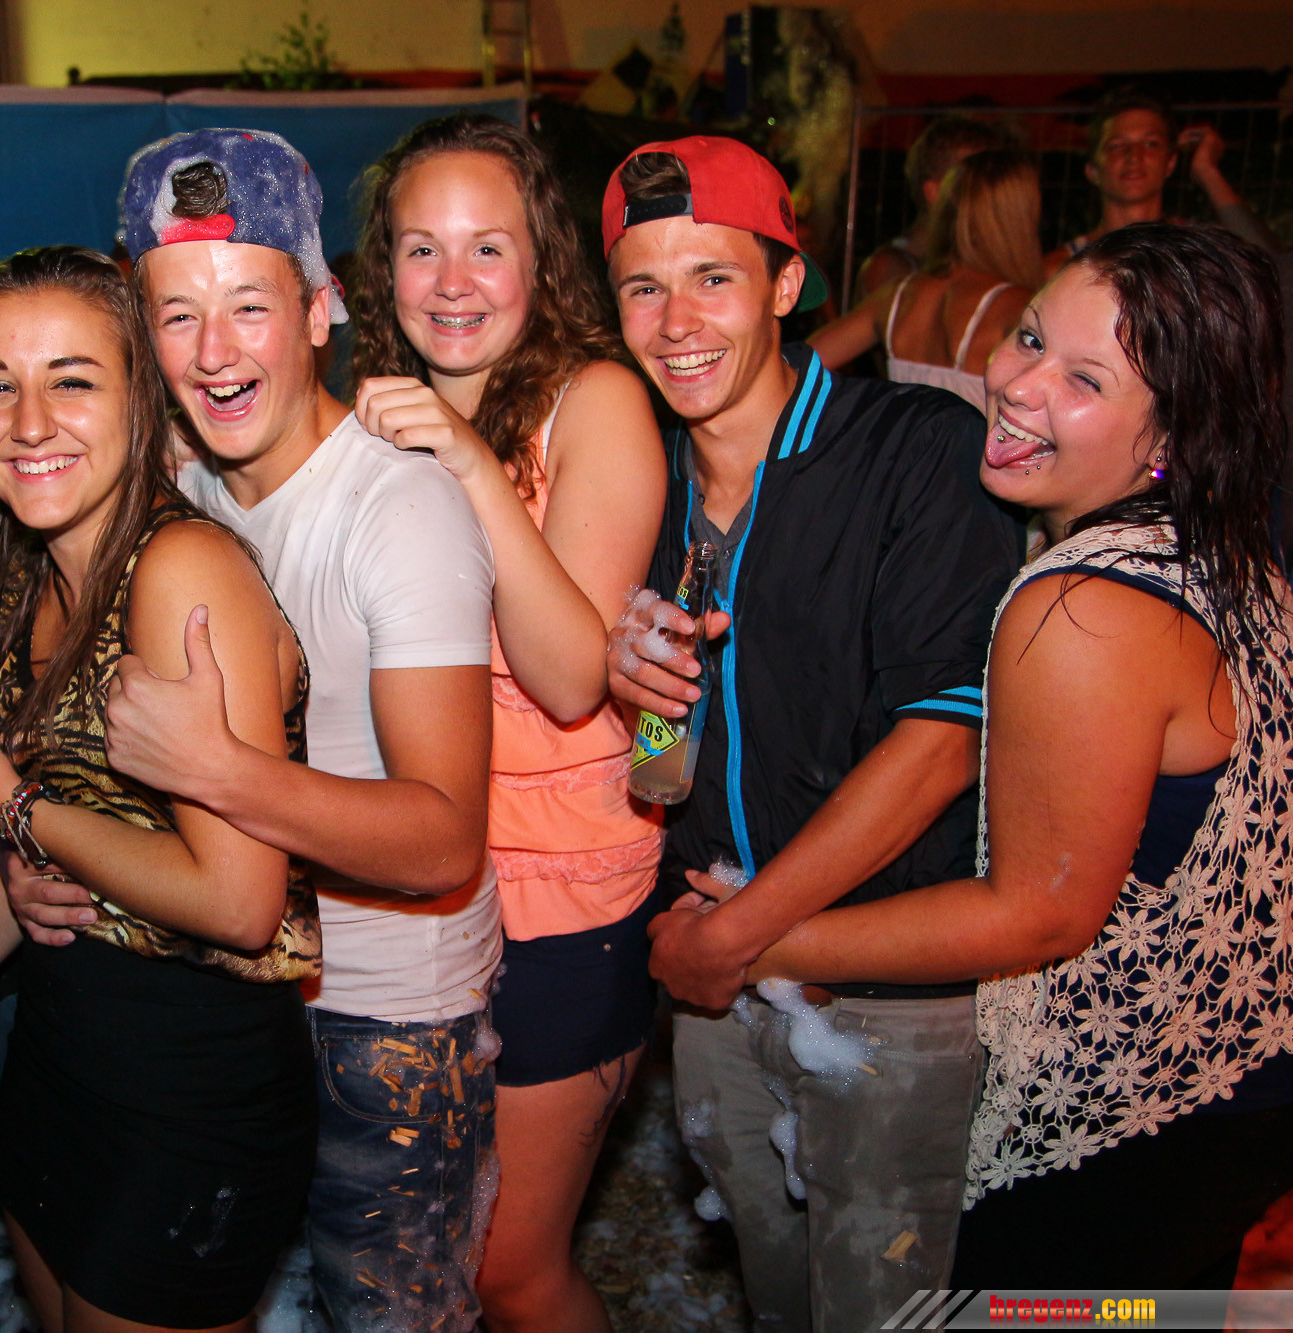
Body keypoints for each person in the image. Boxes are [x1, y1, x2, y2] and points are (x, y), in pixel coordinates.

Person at [723, 222, 1293, 1290]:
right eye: (1029, 337)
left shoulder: (1079, 604)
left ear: (1174, 433)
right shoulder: (1220, 546)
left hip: (1134, 1117)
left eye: (1084, 379)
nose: (1017, 385)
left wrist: (749, 943)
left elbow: (1037, 912)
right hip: (1231, 1080)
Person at [2, 128, 498, 1331]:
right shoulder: (181, 490)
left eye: (248, 307)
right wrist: (44, 857)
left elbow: (443, 839)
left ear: (320, 310)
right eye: (176, 315)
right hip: (228, 1017)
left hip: (385, 1022)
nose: (214, 352)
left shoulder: (397, 507)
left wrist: (222, 772)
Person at [602, 136, 1025, 1331]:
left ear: (786, 285)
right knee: (776, 1294)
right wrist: (641, 704)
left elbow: (945, 737)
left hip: (882, 990)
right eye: (642, 287)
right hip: (715, 979)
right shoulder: (641, 484)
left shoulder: (914, 448)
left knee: (887, 1302)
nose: (675, 322)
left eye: (712, 278)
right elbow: (662, 760)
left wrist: (735, 936)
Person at [0, 245, 319, 1332]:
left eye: (71, 379)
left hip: (192, 1085)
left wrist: (13, 806)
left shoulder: (181, 569)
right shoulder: (25, 573)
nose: (30, 422)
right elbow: (44, 841)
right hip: (61, 1050)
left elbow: (239, 901)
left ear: (141, 393)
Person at [346, 112, 666, 1333]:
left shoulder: (596, 401)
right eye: (420, 248)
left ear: (540, 261)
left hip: (557, 899)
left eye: (487, 246)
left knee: (510, 1271)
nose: (452, 280)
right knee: (425, 1249)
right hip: (412, 891)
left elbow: (572, 676)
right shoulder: (363, 420)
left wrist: (473, 467)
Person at [810, 149, 1043, 413]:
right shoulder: (1017, 307)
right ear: (1021, 217)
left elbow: (802, 361)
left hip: (901, 440)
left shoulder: (899, 295)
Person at [1046, 90, 1281, 273]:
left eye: (1151, 144)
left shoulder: (1200, 250)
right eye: (1117, 146)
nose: (1134, 156)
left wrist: (1207, 171)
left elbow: (1272, 267)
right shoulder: (1063, 267)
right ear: (1092, 171)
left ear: (1170, 163)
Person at [853, 114, 1005, 304]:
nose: (990, 194)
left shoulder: (975, 262)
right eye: (975, 182)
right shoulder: (892, 269)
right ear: (935, 192)